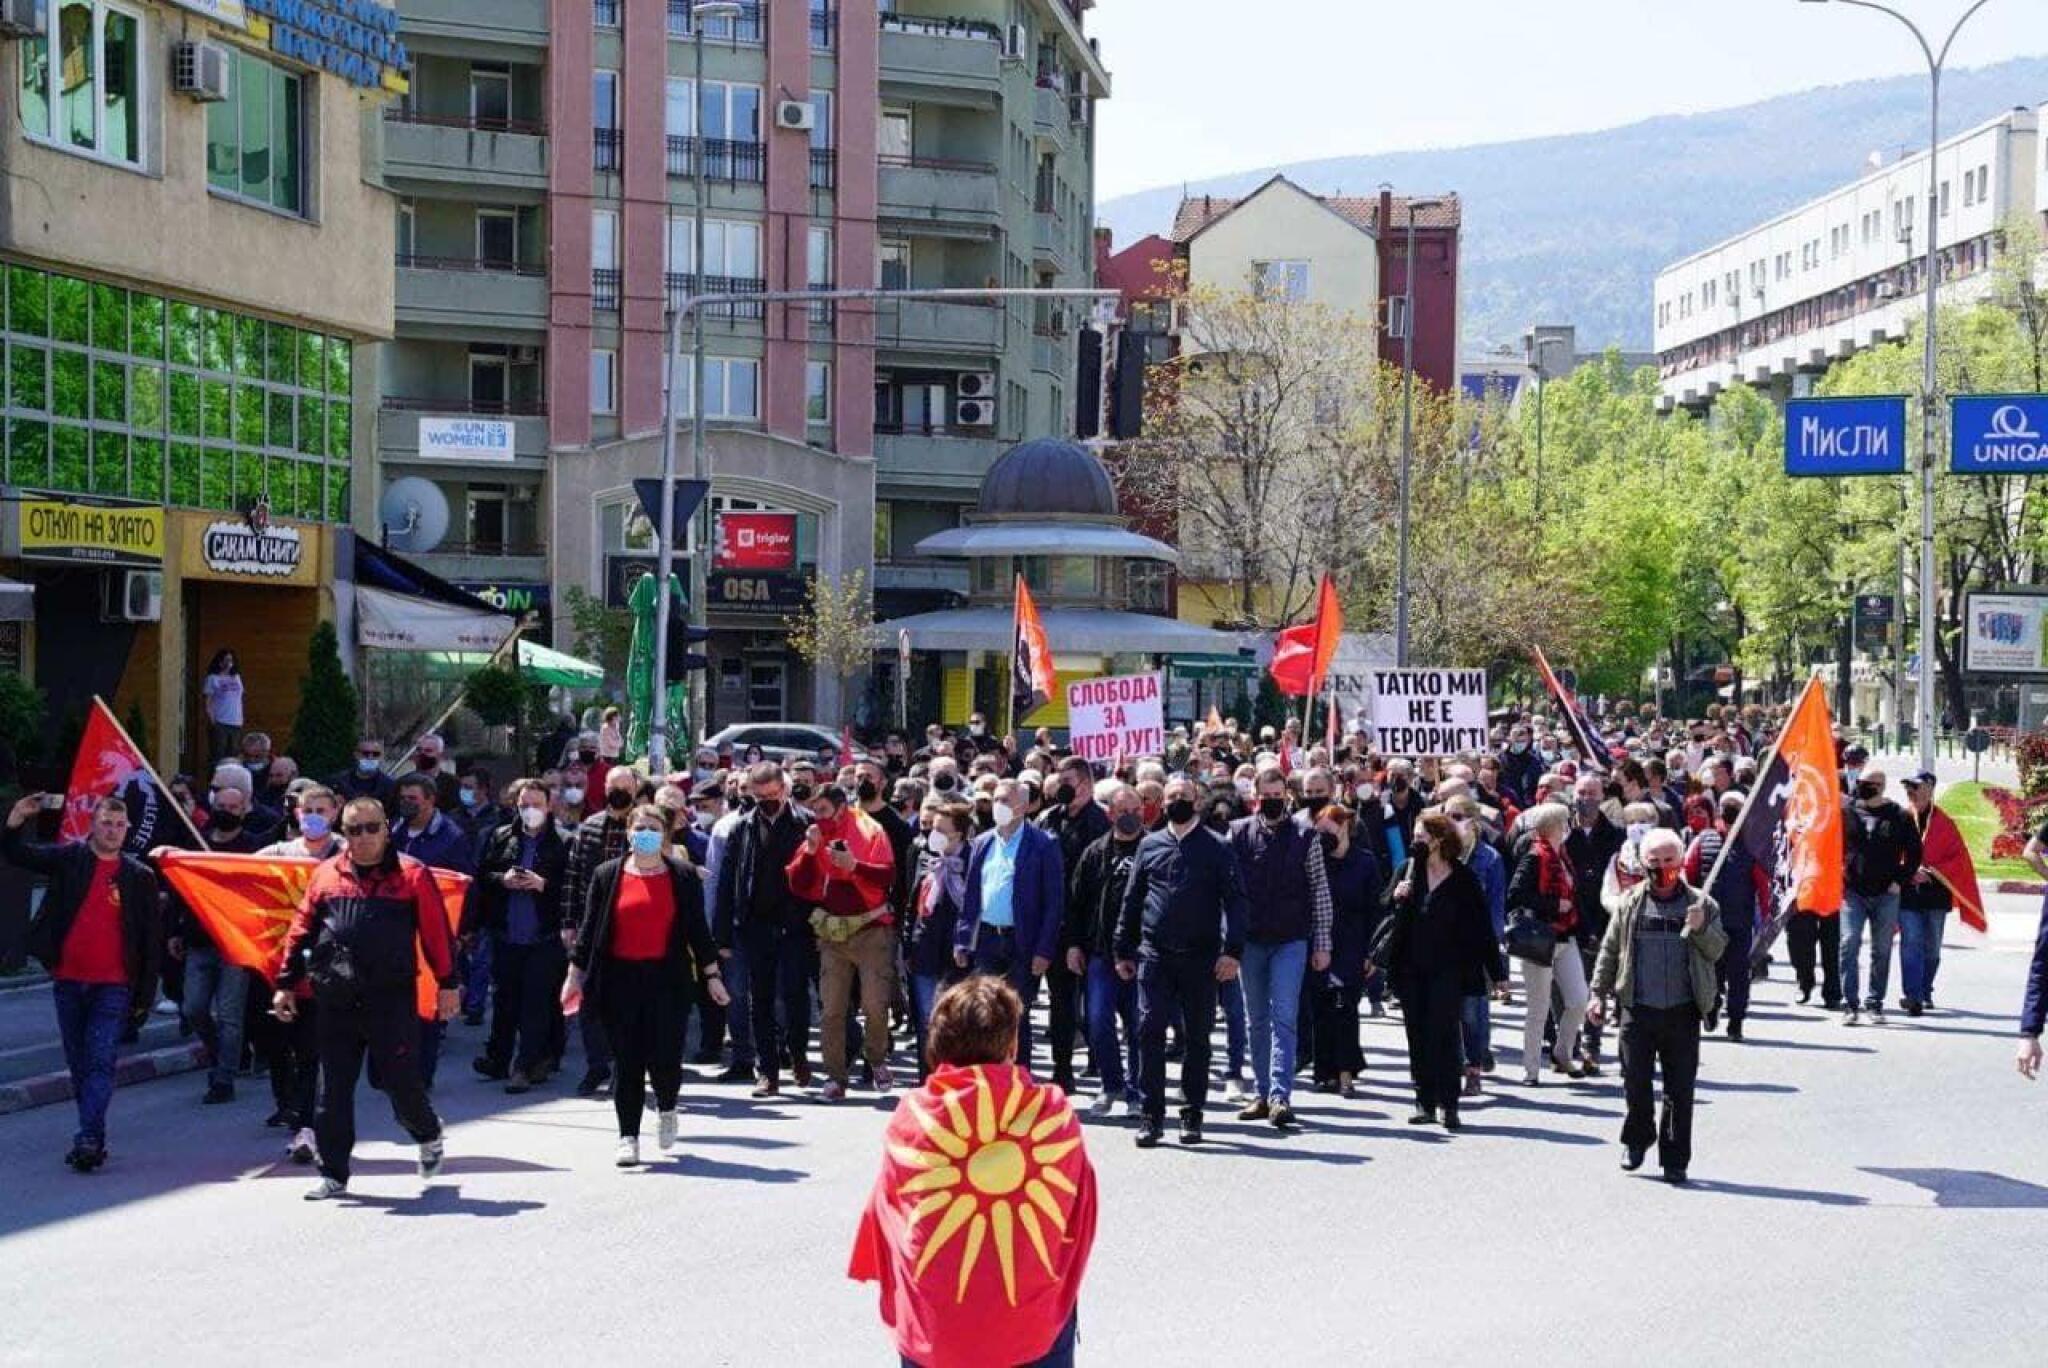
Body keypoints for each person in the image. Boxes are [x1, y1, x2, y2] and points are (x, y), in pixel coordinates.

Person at [849, 976, 1096, 1368]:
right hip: (1033, 1333)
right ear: (1012, 1047)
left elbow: (889, 1214)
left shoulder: (913, 1118)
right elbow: (1077, 1213)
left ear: (938, 1045)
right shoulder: (1053, 1114)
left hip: (936, 1336)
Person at [275, 796, 458, 1201]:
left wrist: (448, 984)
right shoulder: (326, 875)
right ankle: (334, 1173)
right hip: (336, 998)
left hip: (390, 999)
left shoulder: (412, 875)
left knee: (397, 1082)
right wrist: (286, 983)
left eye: (371, 828)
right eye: (353, 830)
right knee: (333, 1090)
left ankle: (427, 1134)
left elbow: (436, 934)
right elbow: (300, 930)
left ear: (386, 828)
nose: (362, 838)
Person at [563, 805, 726, 1165]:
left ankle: (667, 1108)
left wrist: (713, 976)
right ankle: (628, 1136)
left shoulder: (682, 875)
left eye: (653, 828)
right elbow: (589, 932)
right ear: (628, 832)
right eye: (640, 827)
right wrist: (573, 977)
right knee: (627, 1060)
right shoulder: (607, 875)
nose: (645, 834)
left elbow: (699, 931)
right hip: (619, 981)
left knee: (666, 1057)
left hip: (667, 981)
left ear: (664, 835)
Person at [6, 793, 162, 1172]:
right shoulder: (70, 859)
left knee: (100, 1061)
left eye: (119, 825)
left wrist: (145, 994)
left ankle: (89, 1138)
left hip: (114, 986)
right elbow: (19, 855)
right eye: (105, 823)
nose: (112, 831)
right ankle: (92, 1130)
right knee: (79, 1063)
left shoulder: (138, 876)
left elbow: (149, 939)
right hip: (69, 981)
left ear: (127, 831)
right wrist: (15, 821)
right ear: (93, 825)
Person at [1115, 775, 1248, 1148]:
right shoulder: (1150, 844)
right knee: (1148, 1032)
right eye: (1170, 797)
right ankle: (1151, 1116)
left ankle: (1191, 1114)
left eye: (1183, 796)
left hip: (1201, 957)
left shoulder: (1217, 847)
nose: (1176, 802)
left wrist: (1233, 951)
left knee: (1197, 1038)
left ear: (1197, 801)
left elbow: (1236, 901)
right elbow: (1132, 898)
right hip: (1154, 955)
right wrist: (1122, 949)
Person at [1589, 828, 1727, 1186]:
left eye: (1668, 860)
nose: (1662, 867)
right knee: (1635, 1081)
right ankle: (1637, 1139)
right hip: (1638, 1007)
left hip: (1682, 1011)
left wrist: (1700, 929)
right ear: (1643, 863)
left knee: (1679, 1089)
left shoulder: (1702, 905)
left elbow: (1717, 950)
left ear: (1681, 861)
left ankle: (1675, 1158)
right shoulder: (1630, 903)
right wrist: (1597, 993)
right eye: (1654, 861)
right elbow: (1609, 949)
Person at [1380, 810, 1502, 1131]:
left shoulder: (1463, 879)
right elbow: (1383, 909)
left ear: (1439, 841)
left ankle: (1450, 1103)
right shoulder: (1407, 871)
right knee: (1417, 1034)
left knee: (1445, 1034)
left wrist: (1498, 972)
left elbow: (1482, 929)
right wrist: (1396, 897)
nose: (1416, 842)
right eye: (1415, 836)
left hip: (1450, 969)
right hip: (1410, 968)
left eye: (1422, 836)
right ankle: (1424, 1101)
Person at [1226, 768, 1332, 1128]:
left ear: (1286, 795)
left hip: (1291, 939)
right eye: (1265, 794)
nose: (1272, 800)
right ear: (1255, 795)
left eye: (1277, 794)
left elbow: (1319, 891)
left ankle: (1280, 1096)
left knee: (1283, 1017)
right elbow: (1227, 892)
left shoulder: (1306, 835)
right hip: (1251, 941)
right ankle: (1261, 1091)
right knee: (1255, 1018)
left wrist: (1322, 943)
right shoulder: (1238, 833)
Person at [786, 784, 898, 1103]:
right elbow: (798, 883)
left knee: (875, 1005)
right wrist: (809, 852)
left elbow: (888, 876)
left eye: (822, 810)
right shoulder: (814, 834)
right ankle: (835, 1078)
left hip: (871, 929)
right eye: (813, 811)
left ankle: (876, 1059)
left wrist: (855, 866)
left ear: (839, 806)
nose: (817, 817)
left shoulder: (869, 828)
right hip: (832, 933)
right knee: (832, 1009)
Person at [713, 762, 814, 1098]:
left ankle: (798, 1053)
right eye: (759, 797)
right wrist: (722, 936)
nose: (767, 802)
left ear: (783, 790)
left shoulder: (805, 824)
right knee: (761, 999)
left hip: (796, 926)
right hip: (755, 924)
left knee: (795, 995)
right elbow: (726, 882)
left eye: (772, 795)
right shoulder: (742, 828)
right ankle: (767, 1070)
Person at [256, 786, 343, 1164]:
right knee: (276, 1045)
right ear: (296, 812)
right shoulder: (279, 853)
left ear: (335, 812)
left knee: (312, 1052)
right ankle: (290, 1107)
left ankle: (306, 1127)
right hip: (284, 969)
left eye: (321, 809)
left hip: (328, 969)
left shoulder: (348, 852)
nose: (313, 815)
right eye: (307, 809)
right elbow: (230, 868)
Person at [955, 778, 1066, 1073]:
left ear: (1024, 806)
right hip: (988, 938)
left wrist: (1044, 950)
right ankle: (990, 1075)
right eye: (996, 800)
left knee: (1016, 1014)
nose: (999, 806)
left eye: (1006, 800)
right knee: (985, 1012)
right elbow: (971, 896)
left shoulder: (1044, 844)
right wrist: (963, 939)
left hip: (1023, 941)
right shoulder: (982, 842)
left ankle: (1019, 1077)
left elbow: (1054, 903)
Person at [468, 780, 571, 1092]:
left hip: (545, 936)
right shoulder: (500, 837)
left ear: (549, 806)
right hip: (506, 934)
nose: (530, 811)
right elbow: (482, 877)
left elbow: (572, 887)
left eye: (537, 804)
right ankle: (498, 1058)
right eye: (524, 805)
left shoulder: (564, 841)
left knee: (536, 1002)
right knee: (505, 999)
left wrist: (543, 885)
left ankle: (525, 1065)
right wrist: (504, 879)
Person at [171, 769, 265, 1104]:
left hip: (235, 944)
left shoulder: (253, 848)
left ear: (244, 811)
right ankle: (224, 1054)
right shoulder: (198, 842)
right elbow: (181, 889)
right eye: (221, 804)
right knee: (194, 1008)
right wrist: (176, 930)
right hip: (199, 940)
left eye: (234, 807)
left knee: (229, 1015)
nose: (226, 811)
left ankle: (223, 1077)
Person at [1065, 782, 1147, 1118]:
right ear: (1110, 814)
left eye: (1135, 811)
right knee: (1098, 1021)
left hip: (1141, 954)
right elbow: (1075, 903)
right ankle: (1111, 1084)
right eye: (1122, 811)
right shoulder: (1095, 852)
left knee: (1140, 1026)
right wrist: (1073, 945)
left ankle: (1137, 1091)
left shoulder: (1154, 848)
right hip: (1100, 954)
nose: (1129, 817)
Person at [562, 763, 643, 1095]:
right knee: (591, 1000)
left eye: (625, 786)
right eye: (613, 786)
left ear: (635, 791)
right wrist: (568, 923)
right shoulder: (589, 828)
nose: (619, 792)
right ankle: (597, 1066)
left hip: (632, 926)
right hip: (591, 927)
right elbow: (572, 877)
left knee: (627, 1003)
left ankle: (625, 1067)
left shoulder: (643, 829)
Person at [1507, 802, 1590, 1085]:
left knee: (1579, 1000)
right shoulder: (1534, 856)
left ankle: (1562, 1053)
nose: (1569, 826)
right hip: (1539, 940)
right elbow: (1516, 894)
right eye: (1565, 822)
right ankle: (1530, 1069)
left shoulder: (1563, 855)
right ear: (1553, 825)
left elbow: (1575, 896)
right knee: (1538, 1008)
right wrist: (1554, 904)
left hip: (1566, 936)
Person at [1038, 756, 1108, 1093]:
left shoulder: (1100, 823)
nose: (1062, 786)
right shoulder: (1048, 820)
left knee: (1096, 1004)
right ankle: (1062, 1069)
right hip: (1051, 924)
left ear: (1086, 784)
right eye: (1059, 778)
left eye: (1069, 779)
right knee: (1061, 1001)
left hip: (1087, 926)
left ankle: (1103, 1062)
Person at [1840, 768, 1920, 1027]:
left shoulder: (1899, 816)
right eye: (1860, 783)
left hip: (1886, 893)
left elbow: (1914, 853)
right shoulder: (1849, 812)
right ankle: (1850, 1004)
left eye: (1866, 784)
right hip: (1853, 891)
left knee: (1881, 949)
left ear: (1880, 786)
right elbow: (1835, 844)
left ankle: (1874, 1003)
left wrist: (1900, 880)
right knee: (1849, 942)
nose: (1860, 787)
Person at [1312, 802, 1380, 1097]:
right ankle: (1325, 1070)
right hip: (1320, 941)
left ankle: (1346, 1072)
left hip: (1353, 943)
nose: (1325, 837)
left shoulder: (1365, 862)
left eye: (1330, 830)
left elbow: (1375, 910)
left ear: (1344, 827)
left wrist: (1372, 952)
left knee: (1345, 1007)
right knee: (1322, 1007)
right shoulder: (1316, 861)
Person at [906, 802, 972, 1076]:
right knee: (927, 1021)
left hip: (959, 955)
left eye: (944, 830)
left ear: (961, 833)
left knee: (958, 1024)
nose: (937, 835)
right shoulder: (925, 857)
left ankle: (958, 1079)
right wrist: (908, 943)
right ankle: (928, 1079)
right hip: (925, 950)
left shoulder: (974, 860)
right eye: (934, 828)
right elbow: (912, 903)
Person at [1898, 771, 1959, 1016]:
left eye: (1916, 786)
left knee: (1932, 949)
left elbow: (1958, 860)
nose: (1911, 791)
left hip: (1936, 897)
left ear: (1930, 789)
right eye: (1908, 787)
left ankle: (1925, 990)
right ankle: (1912, 995)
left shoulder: (1945, 822)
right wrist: (1907, 871)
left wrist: (1931, 873)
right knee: (1911, 943)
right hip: (1908, 894)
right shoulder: (1901, 818)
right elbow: (1888, 851)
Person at [201, 648, 244, 766]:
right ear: (220, 662)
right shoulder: (213, 678)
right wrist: (212, 719)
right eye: (226, 660)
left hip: (236, 721)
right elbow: (208, 701)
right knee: (218, 755)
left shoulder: (236, 677)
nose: (229, 662)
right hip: (221, 721)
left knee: (233, 755)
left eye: (230, 659)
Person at [333, 736, 399, 811]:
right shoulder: (338, 782)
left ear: (381, 756)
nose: (370, 757)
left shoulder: (390, 786)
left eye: (376, 754)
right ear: (356, 754)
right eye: (365, 753)